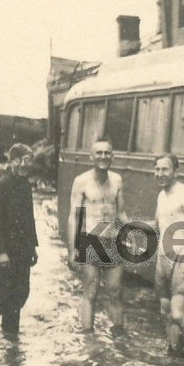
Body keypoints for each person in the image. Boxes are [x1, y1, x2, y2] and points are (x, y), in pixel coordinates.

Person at [0, 143, 39, 345]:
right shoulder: (0, 187)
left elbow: (29, 219)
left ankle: (11, 339)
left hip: (22, 252)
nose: (23, 164)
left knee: (19, 295)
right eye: (19, 160)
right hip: (4, 253)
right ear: (11, 161)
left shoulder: (25, 186)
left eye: (27, 160)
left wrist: (33, 248)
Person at [67, 137, 127, 332]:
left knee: (116, 292)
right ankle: (88, 338)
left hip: (112, 241)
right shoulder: (81, 181)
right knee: (91, 292)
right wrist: (72, 250)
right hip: (90, 240)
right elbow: (74, 217)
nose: (103, 157)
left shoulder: (117, 179)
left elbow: (121, 213)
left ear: (113, 156)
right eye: (99, 153)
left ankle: (118, 337)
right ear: (91, 156)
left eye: (107, 153)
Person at [152, 153, 184, 357]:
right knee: (165, 313)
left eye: (165, 169)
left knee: (178, 314)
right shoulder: (161, 195)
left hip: (182, 260)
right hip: (163, 259)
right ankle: (174, 355)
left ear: (176, 172)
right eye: (157, 169)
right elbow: (158, 225)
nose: (160, 174)